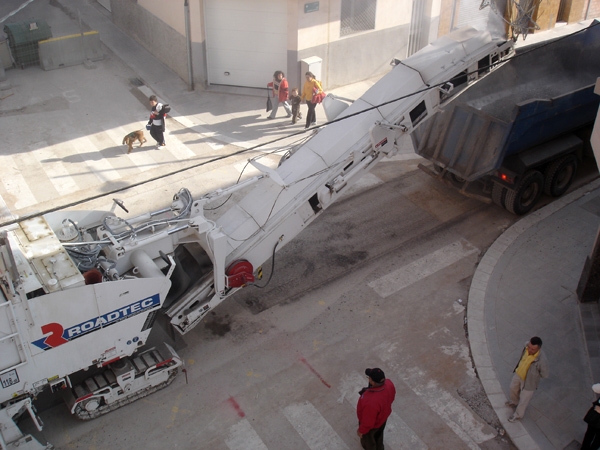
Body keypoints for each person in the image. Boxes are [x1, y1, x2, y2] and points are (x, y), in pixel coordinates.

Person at [506, 336, 549, 422]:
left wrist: (534, 375)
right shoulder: (526, 347)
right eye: (529, 347)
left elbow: (545, 374)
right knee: (512, 388)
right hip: (519, 374)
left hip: (529, 382)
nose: (529, 350)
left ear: (538, 349)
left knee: (524, 399)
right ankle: (514, 402)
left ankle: (518, 415)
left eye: (532, 349)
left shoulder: (542, 361)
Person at [356, 368, 396, 450]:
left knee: (369, 442)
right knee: (379, 435)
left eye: (369, 378)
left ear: (372, 382)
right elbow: (392, 398)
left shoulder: (370, 401)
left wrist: (361, 431)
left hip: (372, 426)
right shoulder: (389, 384)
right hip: (383, 418)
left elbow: (368, 422)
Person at [581, 384, 600, 450]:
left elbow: (595, 387)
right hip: (596, 417)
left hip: (596, 416)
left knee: (589, 435)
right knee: (596, 439)